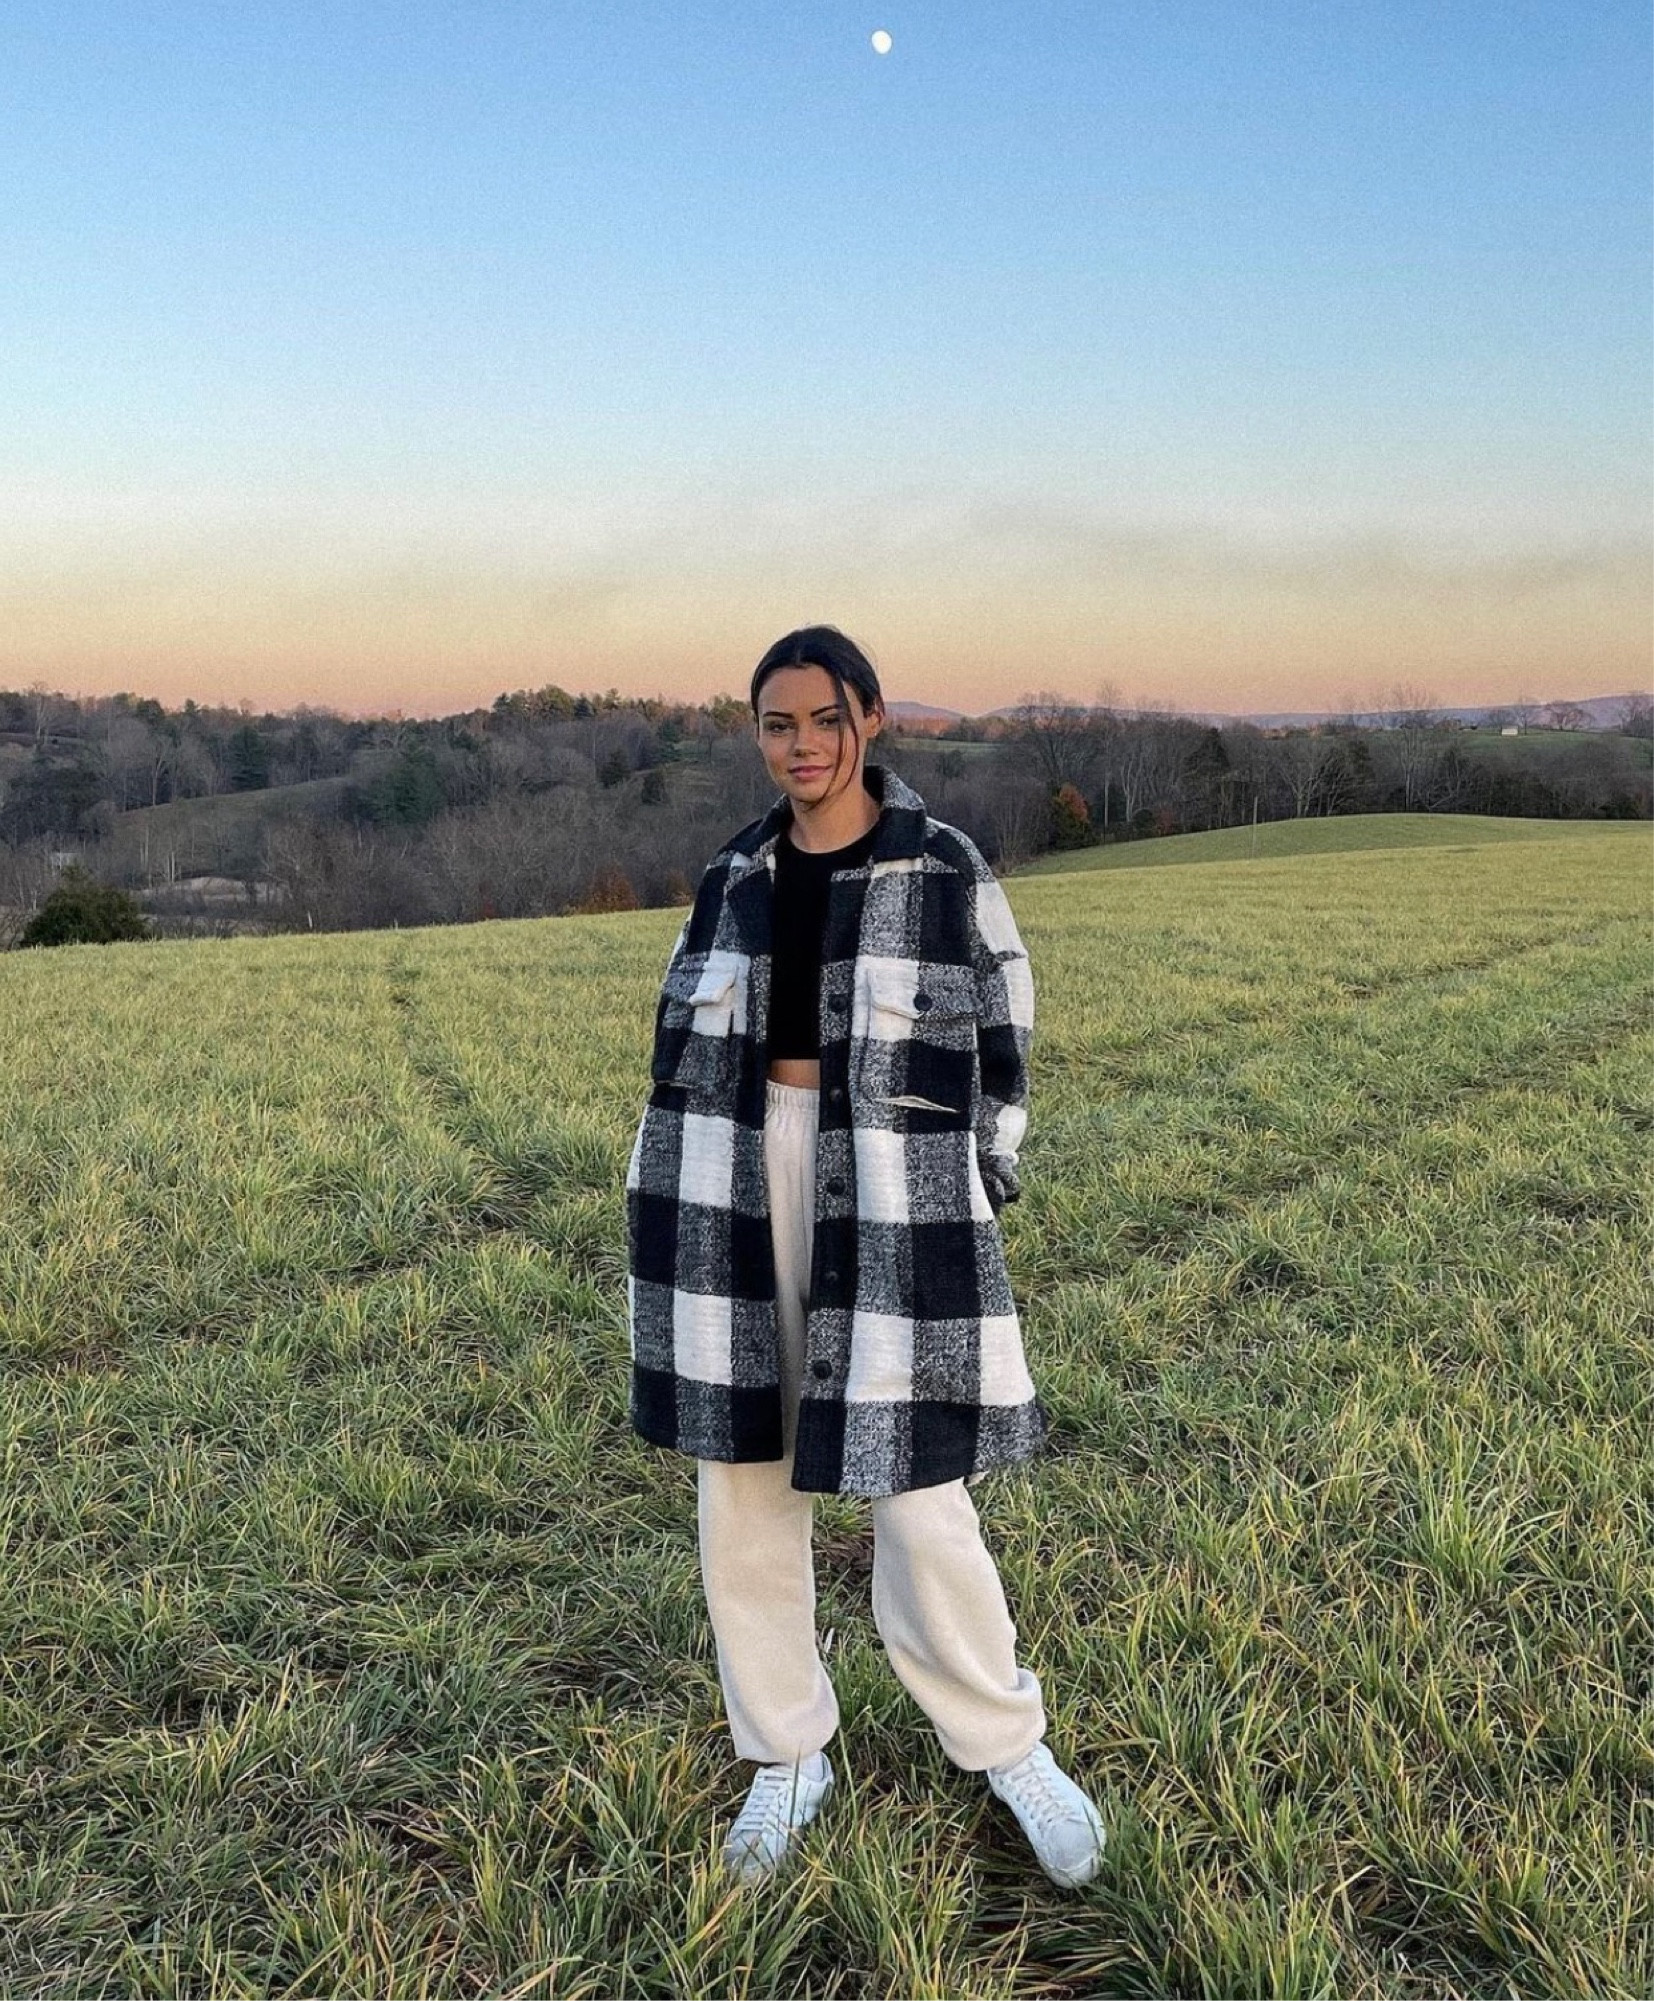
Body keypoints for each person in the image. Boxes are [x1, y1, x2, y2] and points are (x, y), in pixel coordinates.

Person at [625, 625, 1105, 1889]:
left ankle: (1006, 1745)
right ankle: (786, 1753)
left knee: (918, 1486)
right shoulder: (734, 872)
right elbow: (677, 1043)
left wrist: (976, 1182)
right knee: (744, 1480)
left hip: (893, 1191)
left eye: (822, 721)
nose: (801, 747)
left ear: (870, 720)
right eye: (777, 725)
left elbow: (1006, 1026)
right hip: (740, 1180)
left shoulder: (940, 867)